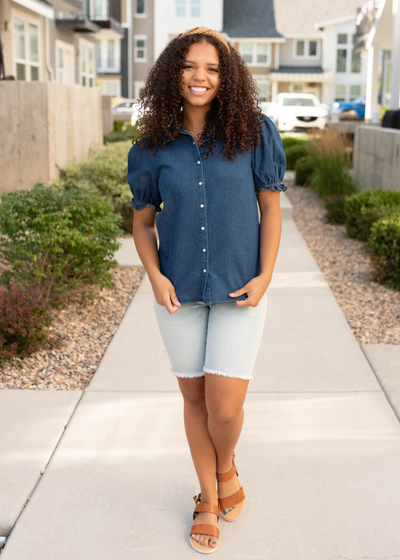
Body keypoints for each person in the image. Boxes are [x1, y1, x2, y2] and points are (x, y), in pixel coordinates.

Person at [127, 26, 288, 554]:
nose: (200, 77)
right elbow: (142, 223)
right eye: (191, 66)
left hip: (242, 287)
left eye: (213, 69)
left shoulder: (254, 133)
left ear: (227, 77)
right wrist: (156, 277)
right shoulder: (151, 148)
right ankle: (208, 496)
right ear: (173, 72)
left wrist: (265, 276)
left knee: (223, 407)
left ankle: (226, 463)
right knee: (194, 401)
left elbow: (269, 208)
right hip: (179, 292)